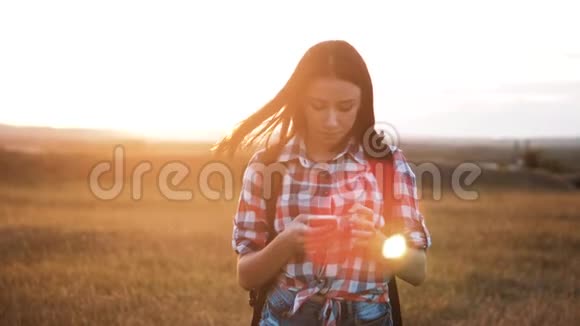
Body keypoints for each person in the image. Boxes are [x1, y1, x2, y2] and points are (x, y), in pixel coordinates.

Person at [212, 40, 432, 326]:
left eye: (345, 107)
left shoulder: (388, 166)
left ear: (363, 103)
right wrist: (287, 242)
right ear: (300, 101)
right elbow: (246, 276)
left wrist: (378, 243)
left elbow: (417, 270)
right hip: (286, 316)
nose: (331, 120)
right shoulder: (268, 167)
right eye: (318, 105)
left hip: (367, 317)